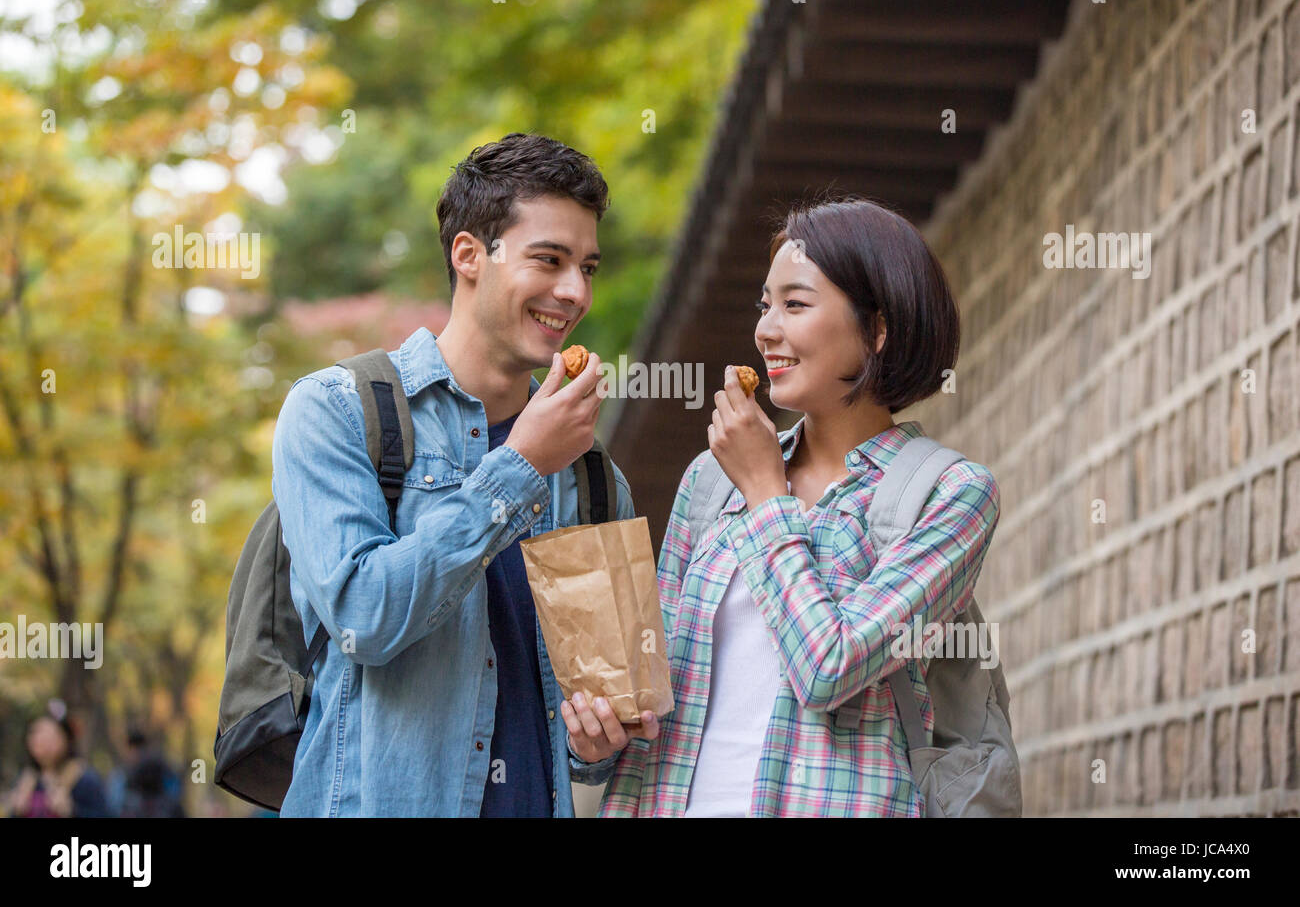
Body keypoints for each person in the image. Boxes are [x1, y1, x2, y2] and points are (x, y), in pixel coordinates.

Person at [271, 133, 660, 817]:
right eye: (550, 259)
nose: (574, 292)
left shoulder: (595, 477)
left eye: (588, 267)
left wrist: (597, 743)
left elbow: (601, 724)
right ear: (469, 255)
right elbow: (365, 618)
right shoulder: (335, 412)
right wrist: (520, 468)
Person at [598, 196, 1001, 816]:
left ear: (878, 329)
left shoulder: (950, 494)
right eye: (765, 304)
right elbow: (653, 688)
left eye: (795, 304)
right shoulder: (711, 479)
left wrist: (766, 495)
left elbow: (829, 665)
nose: (765, 329)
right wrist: (594, 739)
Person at [2, 703, 110, 818]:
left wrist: (72, 811)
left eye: (49, 737)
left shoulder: (84, 780)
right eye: (35, 736)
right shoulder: (26, 780)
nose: (41, 743)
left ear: (67, 739)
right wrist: (17, 811)